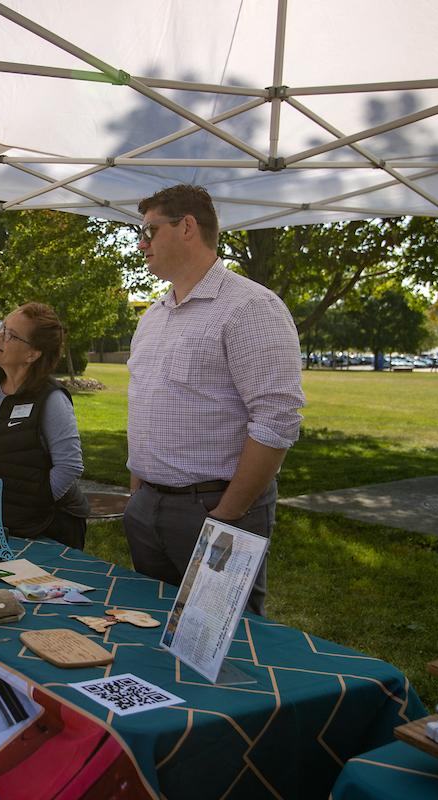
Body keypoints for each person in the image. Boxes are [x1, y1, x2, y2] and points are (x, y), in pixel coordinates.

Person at [123, 184, 305, 616]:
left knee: (220, 641)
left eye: (149, 230)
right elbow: (145, 407)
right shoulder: (153, 315)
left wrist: (228, 514)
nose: (141, 242)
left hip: (214, 508)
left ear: (187, 227)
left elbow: (277, 419)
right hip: (148, 508)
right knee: (149, 629)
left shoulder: (251, 307)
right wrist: (138, 494)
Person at [0, 302, 90, 549]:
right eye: (2, 327)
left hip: (48, 529)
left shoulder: (51, 398)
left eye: (11, 335)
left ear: (32, 354)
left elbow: (70, 465)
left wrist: (34, 504)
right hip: (0, 523)